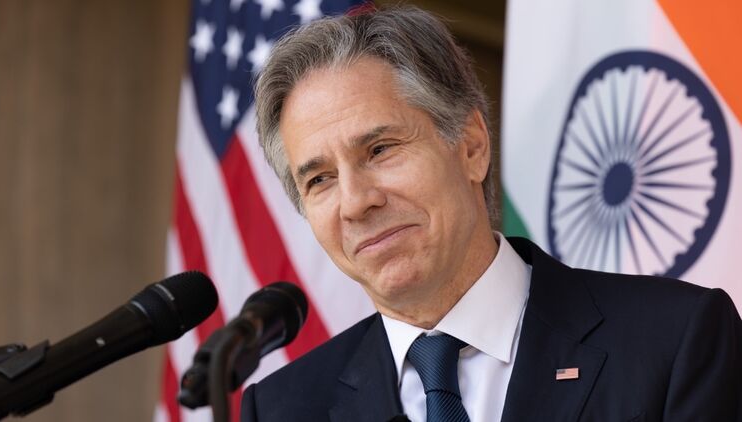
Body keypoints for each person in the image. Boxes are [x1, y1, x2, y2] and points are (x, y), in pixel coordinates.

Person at [242, 6, 741, 421]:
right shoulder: (283, 409)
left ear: (472, 146)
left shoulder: (674, 339)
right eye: (320, 179)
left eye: (380, 150)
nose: (355, 202)